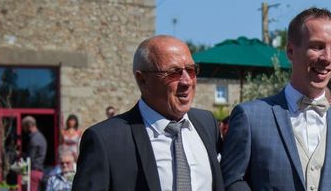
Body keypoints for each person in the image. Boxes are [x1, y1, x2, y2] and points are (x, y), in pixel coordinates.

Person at [221, 7, 331, 190]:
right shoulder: (250, 117)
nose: (327, 57)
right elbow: (232, 181)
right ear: (290, 50)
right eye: (317, 46)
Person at [73, 35, 223, 191]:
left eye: (191, 70)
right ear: (142, 79)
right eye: (173, 73)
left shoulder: (207, 123)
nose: (187, 82)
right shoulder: (106, 140)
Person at [22, 115, 47, 191]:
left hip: (34, 171)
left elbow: (30, 159)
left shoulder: (34, 139)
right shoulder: (40, 136)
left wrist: (23, 157)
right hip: (39, 170)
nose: (23, 129)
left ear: (29, 125)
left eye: (24, 126)